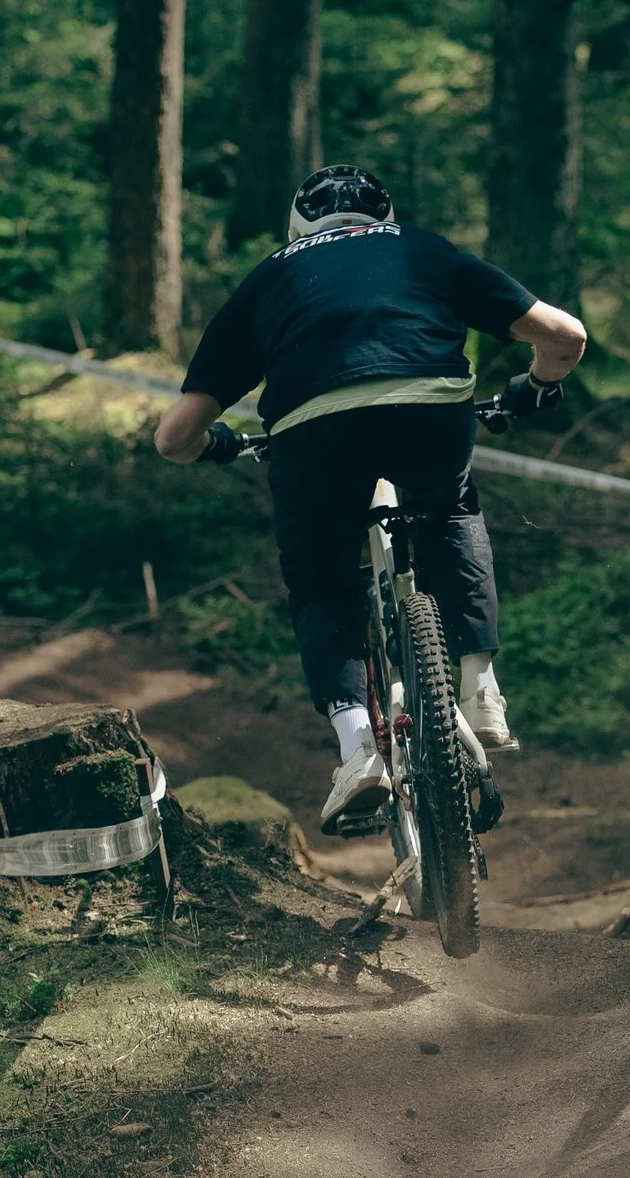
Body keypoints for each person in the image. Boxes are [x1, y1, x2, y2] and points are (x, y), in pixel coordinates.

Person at [154, 166, 588, 832]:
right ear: (382, 218)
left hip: (312, 431)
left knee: (323, 583)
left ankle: (358, 749)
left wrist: (215, 445)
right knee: (451, 507)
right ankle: (479, 687)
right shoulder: (421, 248)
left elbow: (172, 436)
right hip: (431, 410)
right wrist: (535, 387)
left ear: (298, 228)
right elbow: (566, 337)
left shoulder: (270, 276)